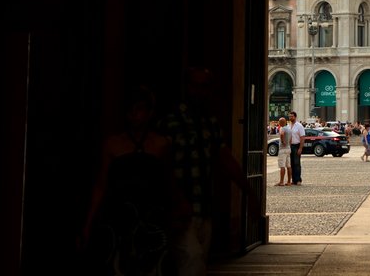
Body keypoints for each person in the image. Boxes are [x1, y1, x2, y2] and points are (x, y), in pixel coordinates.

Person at [159, 67, 255, 276]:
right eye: (196, 86)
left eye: (205, 87)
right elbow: (161, 165)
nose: (200, 92)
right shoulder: (171, 121)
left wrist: (248, 191)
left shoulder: (209, 123)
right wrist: (176, 199)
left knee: (199, 260)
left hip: (204, 207)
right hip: (180, 209)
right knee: (191, 261)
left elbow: (225, 158)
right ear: (187, 88)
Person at [82, 85, 176, 276]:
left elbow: (168, 181)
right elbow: (101, 184)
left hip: (150, 216)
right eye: (130, 109)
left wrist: (174, 212)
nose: (134, 114)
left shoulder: (161, 144)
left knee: (151, 264)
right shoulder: (113, 144)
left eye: (139, 109)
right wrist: (88, 223)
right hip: (119, 217)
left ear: (150, 112)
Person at [288, 111, 305, 185]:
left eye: (292, 116)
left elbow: (302, 137)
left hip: (296, 145)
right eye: (290, 116)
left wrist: (300, 148)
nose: (290, 117)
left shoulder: (299, 126)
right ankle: (293, 180)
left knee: (297, 163)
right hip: (289, 146)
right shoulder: (288, 125)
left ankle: (298, 180)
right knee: (291, 164)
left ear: (295, 117)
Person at [275, 117, 292, 186]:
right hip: (288, 148)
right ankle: (289, 181)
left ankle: (281, 181)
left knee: (282, 166)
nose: (278, 123)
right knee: (288, 166)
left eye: (279, 122)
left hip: (282, 149)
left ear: (282, 122)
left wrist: (282, 141)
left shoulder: (282, 128)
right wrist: (288, 144)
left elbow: (282, 134)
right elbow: (291, 139)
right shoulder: (289, 129)